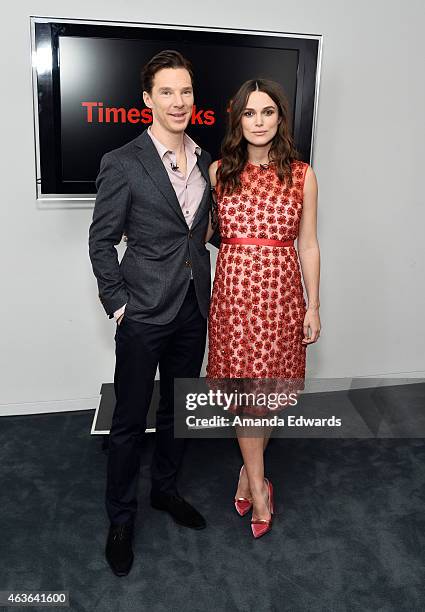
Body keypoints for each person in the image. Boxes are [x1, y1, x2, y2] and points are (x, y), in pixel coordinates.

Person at [89, 49, 220, 576]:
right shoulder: (123, 162)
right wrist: (119, 305)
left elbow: (201, 234)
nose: (178, 101)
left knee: (178, 414)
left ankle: (165, 492)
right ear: (147, 100)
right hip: (142, 312)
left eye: (185, 91)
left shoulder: (207, 160)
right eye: (166, 92)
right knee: (128, 422)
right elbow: (101, 243)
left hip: (193, 307)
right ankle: (121, 518)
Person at [206, 79, 321, 538]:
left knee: (266, 396)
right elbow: (197, 233)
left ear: (280, 118)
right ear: (237, 120)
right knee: (244, 396)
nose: (258, 122)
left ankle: (248, 475)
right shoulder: (218, 173)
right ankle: (258, 484)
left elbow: (309, 245)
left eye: (268, 112)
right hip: (233, 297)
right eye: (249, 114)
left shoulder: (302, 174)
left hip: (280, 296)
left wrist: (314, 306)